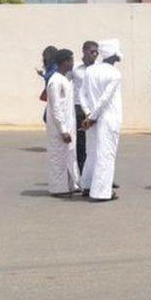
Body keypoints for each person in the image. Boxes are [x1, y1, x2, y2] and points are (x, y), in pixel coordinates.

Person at [79, 39, 123, 201]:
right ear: (113, 53)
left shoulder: (90, 71)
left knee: (92, 153)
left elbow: (82, 95)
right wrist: (92, 116)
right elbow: (105, 99)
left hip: (92, 119)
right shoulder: (115, 74)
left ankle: (87, 185)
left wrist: (88, 114)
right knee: (106, 155)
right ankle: (102, 192)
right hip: (107, 119)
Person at [45, 49, 80, 197]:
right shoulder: (55, 81)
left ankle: (72, 185)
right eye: (71, 60)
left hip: (68, 125)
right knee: (58, 158)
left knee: (70, 156)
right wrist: (63, 130)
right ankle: (57, 189)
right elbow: (55, 107)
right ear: (64, 62)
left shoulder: (65, 79)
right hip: (59, 128)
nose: (73, 63)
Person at [70, 40, 99, 173]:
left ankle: (99, 174)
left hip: (94, 109)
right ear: (84, 50)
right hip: (78, 108)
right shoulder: (75, 67)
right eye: (92, 51)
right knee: (81, 144)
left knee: (97, 144)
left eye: (96, 52)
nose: (95, 54)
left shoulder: (99, 68)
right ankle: (82, 174)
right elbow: (64, 83)